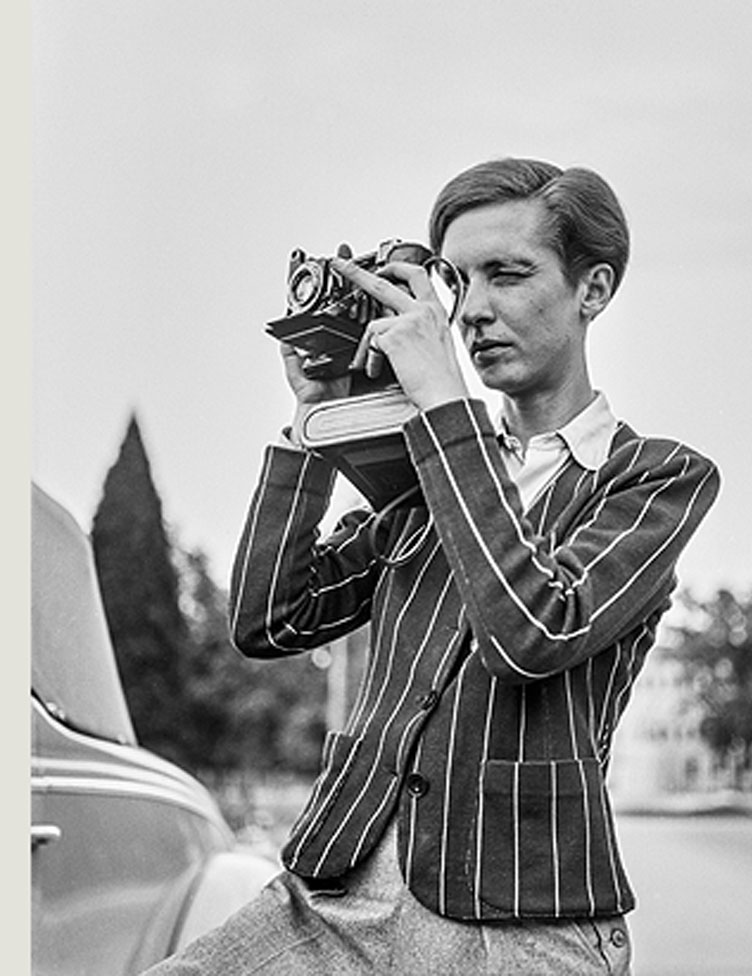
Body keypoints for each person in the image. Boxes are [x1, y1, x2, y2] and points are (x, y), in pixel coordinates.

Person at [145, 157, 720, 975]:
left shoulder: (656, 479)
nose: (475, 310)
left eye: (508, 275)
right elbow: (270, 619)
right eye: (461, 282)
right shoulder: (427, 478)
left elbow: (534, 631)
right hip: (341, 894)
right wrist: (316, 415)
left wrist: (446, 406)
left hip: (524, 924)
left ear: (593, 290)